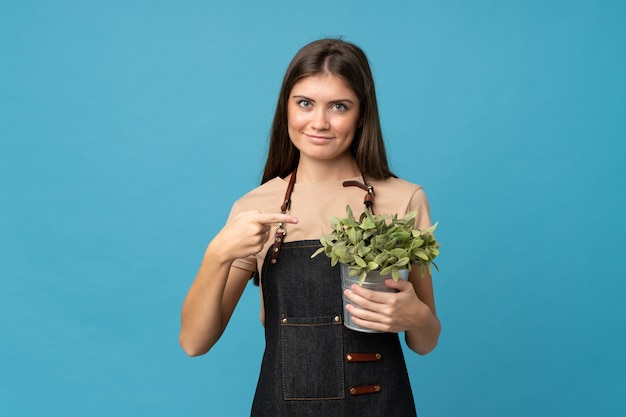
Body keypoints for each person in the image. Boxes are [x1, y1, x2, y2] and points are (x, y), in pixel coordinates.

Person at [179, 38, 440, 416]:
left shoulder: (404, 199)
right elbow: (194, 343)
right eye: (305, 103)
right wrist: (217, 254)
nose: (319, 122)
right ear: (286, 107)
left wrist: (414, 316)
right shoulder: (255, 208)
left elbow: (424, 341)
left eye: (339, 106)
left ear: (362, 114)